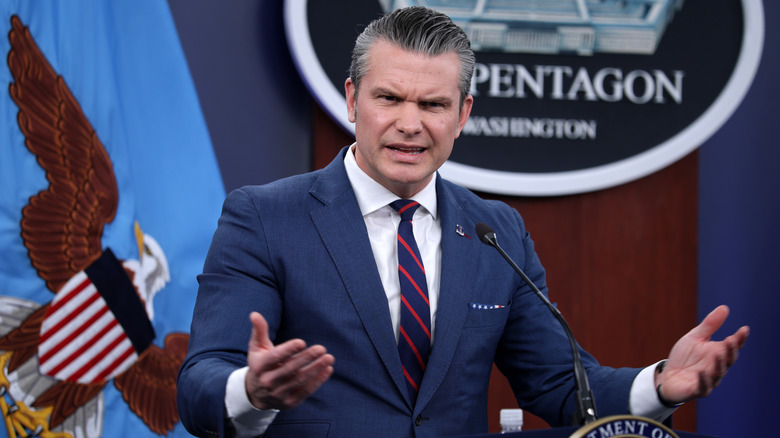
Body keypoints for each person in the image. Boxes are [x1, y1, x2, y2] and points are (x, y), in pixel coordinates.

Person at [176, 7, 749, 437]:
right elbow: (200, 382)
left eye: (432, 105)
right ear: (352, 100)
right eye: (389, 98)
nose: (409, 124)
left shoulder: (494, 231)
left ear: (462, 114)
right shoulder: (265, 217)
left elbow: (559, 384)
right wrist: (250, 390)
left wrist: (660, 385)